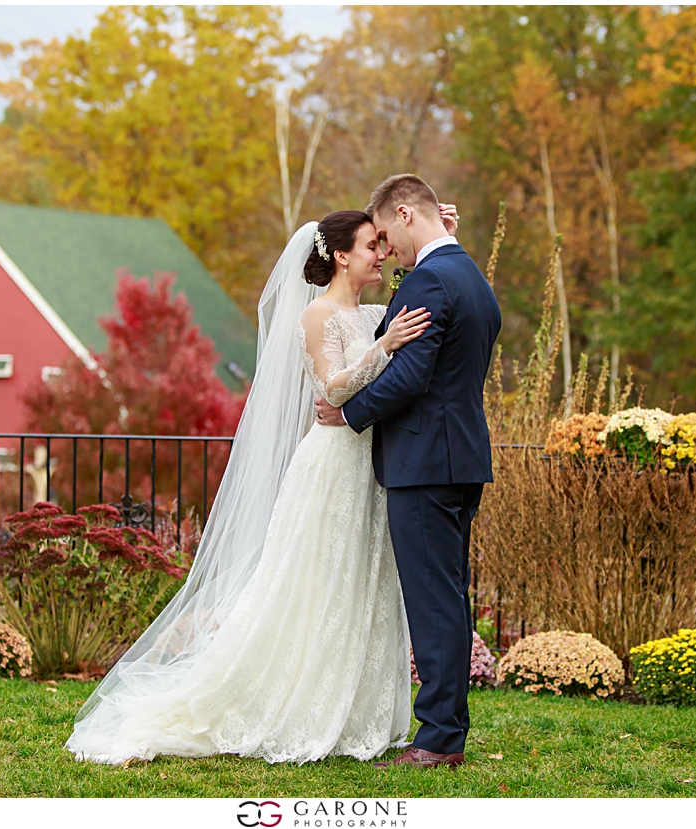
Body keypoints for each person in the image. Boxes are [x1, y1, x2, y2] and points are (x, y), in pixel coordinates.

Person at [65, 208, 439, 765]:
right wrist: (382, 349)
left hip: (371, 465)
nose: (381, 254)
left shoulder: (377, 313)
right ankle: (295, 703)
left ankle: (357, 708)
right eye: (370, 246)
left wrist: (439, 231)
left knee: (362, 583)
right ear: (340, 255)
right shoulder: (318, 316)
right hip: (333, 466)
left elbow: (423, 287)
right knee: (316, 584)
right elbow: (334, 389)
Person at [317, 174, 502, 769]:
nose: (387, 249)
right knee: (446, 595)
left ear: (402, 213)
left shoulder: (428, 280)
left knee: (433, 601)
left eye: (386, 235)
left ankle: (439, 739)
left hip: (423, 463)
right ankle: (445, 729)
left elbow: (409, 375)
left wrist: (348, 415)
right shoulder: (471, 276)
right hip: (460, 458)